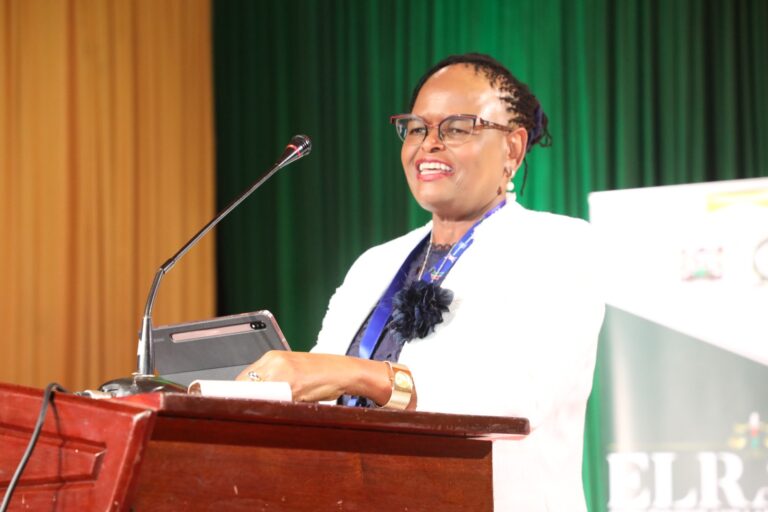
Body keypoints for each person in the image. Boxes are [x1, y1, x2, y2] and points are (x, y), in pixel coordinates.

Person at [237, 53, 604, 511]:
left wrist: (358, 375)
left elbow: (513, 401)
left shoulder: (559, 246)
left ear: (513, 148)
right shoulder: (375, 263)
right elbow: (320, 385)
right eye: (416, 128)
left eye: (456, 127)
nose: (428, 144)